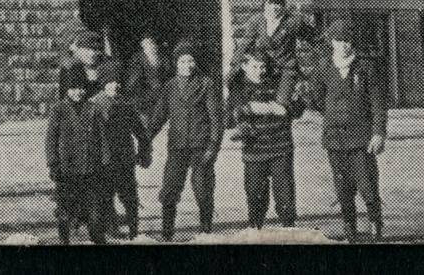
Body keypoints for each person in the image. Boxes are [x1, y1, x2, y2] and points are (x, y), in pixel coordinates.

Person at [309, 19, 387, 240]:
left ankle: (375, 224)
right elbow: (316, 99)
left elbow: (378, 103)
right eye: (338, 41)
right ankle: (349, 228)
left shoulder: (365, 67)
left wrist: (378, 133)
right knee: (343, 187)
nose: (343, 45)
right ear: (331, 42)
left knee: (367, 185)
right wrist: (332, 114)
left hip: (361, 138)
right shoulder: (323, 68)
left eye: (347, 41)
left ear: (353, 42)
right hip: (335, 138)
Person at [152, 39, 221, 239]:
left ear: (196, 62)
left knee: (203, 190)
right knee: (169, 189)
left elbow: (216, 119)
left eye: (190, 61)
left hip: (201, 147)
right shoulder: (170, 86)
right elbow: (158, 117)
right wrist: (145, 139)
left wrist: (213, 147)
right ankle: (167, 233)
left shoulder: (206, 84)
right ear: (176, 63)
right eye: (182, 62)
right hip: (177, 147)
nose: (187, 66)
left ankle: (206, 231)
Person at [228, 49, 301, 229]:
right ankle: (256, 230)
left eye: (262, 66)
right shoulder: (238, 88)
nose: (259, 71)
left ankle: (289, 230)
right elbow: (228, 119)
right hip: (254, 150)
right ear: (244, 66)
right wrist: (257, 108)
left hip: (280, 147)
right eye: (254, 66)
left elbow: (297, 109)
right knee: (255, 195)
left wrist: (290, 106)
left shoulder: (277, 84)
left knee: (285, 195)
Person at [90, 59, 150, 239]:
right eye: (110, 82)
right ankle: (108, 231)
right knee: (104, 198)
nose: (114, 86)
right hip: (102, 160)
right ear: (103, 84)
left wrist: (144, 151)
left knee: (130, 198)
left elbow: (140, 131)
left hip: (124, 159)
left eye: (117, 82)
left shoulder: (126, 105)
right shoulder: (93, 105)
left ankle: (134, 232)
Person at [46, 66, 108, 243]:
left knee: (94, 210)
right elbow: (51, 139)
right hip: (67, 170)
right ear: (67, 90)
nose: (78, 92)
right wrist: (53, 163)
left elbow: (103, 137)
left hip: (90, 168)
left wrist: (105, 159)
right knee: (65, 209)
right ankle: (64, 240)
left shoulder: (93, 108)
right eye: (73, 88)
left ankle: (97, 237)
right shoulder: (59, 109)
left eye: (81, 88)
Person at [234, 0, 319, 86]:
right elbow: (244, 45)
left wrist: (323, 64)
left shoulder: (293, 22)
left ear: (283, 5)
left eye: (278, 3)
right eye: (270, 3)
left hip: (288, 71)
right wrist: (234, 67)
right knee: (248, 92)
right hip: (264, 70)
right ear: (264, 5)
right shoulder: (257, 21)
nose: (273, 7)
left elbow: (315, 39)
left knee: (282, 100)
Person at [57, 28, 106, 98]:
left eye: (97, 49)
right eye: (88, 48)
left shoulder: (104, 67)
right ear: (73, 47)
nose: (93, 53)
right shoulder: (69, 69)